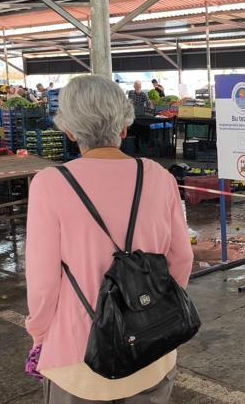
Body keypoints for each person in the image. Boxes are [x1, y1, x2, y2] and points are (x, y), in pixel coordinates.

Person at [25, 75, 193, 404]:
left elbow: (43, 283)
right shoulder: (159, 177)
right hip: (151, 349)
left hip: (79, 357)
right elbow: (182, 258)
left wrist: (40, 335)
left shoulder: (50, 184)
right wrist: (153, 311)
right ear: (124, 127)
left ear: (70, 131)